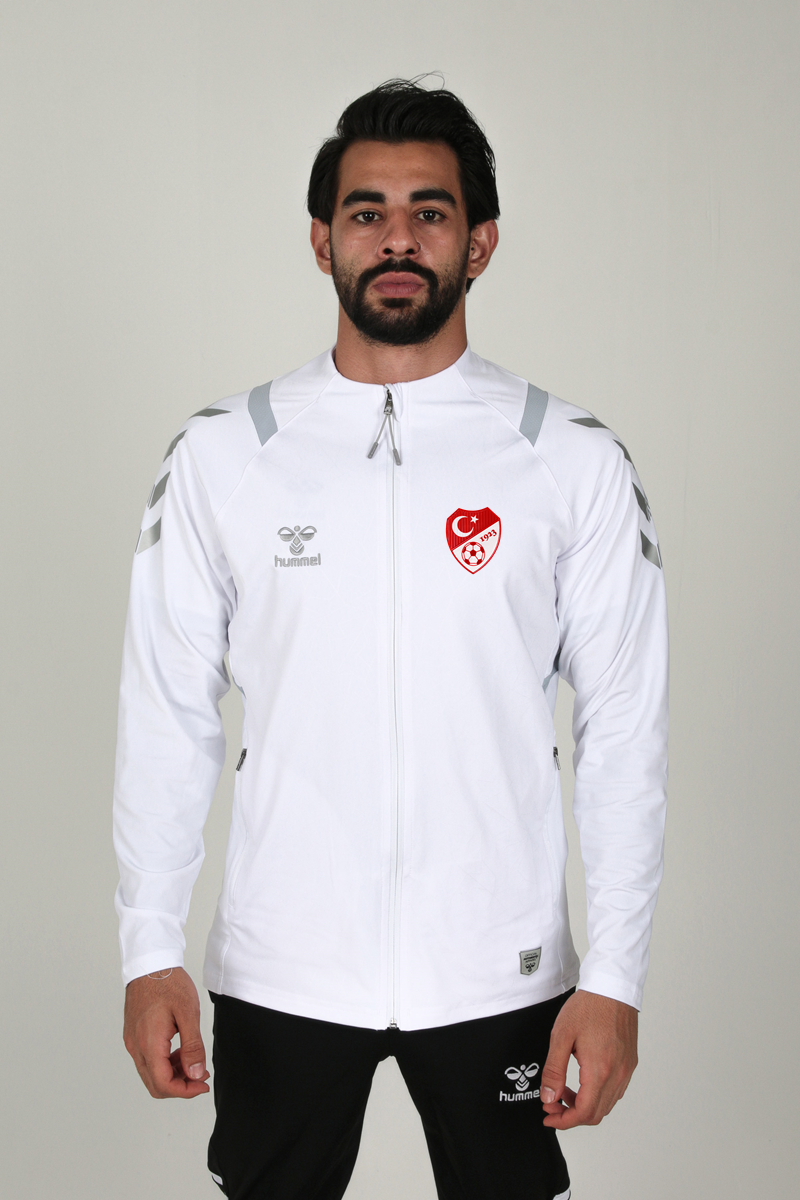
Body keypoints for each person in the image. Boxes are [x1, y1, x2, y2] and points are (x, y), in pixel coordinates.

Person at [115, 79, 668, 1200]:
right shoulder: (225, 455)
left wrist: (613, 975)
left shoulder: (570, 461)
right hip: (284, 965)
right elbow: (166, 712)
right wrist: (148, 948)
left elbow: (623, 732)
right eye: (366, 212)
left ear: (480, 243)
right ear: (322, 241)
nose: (398, 238)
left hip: (499, 966)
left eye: (430, 211)